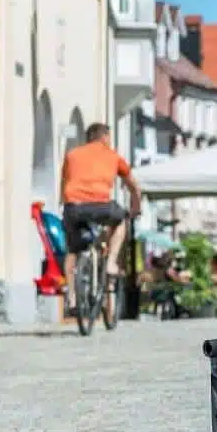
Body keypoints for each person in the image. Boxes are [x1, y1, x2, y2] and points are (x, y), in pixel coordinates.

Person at [59, 122, 142, 313]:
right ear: (105, 137)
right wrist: (136, 208)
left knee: (72, 251)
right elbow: (133, 187)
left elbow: (64, 183)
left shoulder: (72, 155)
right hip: (100, 206)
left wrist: (66, 205)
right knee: (121, 220)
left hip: (73, 207)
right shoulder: (112, 156)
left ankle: (71, 297)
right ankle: (111, 262)